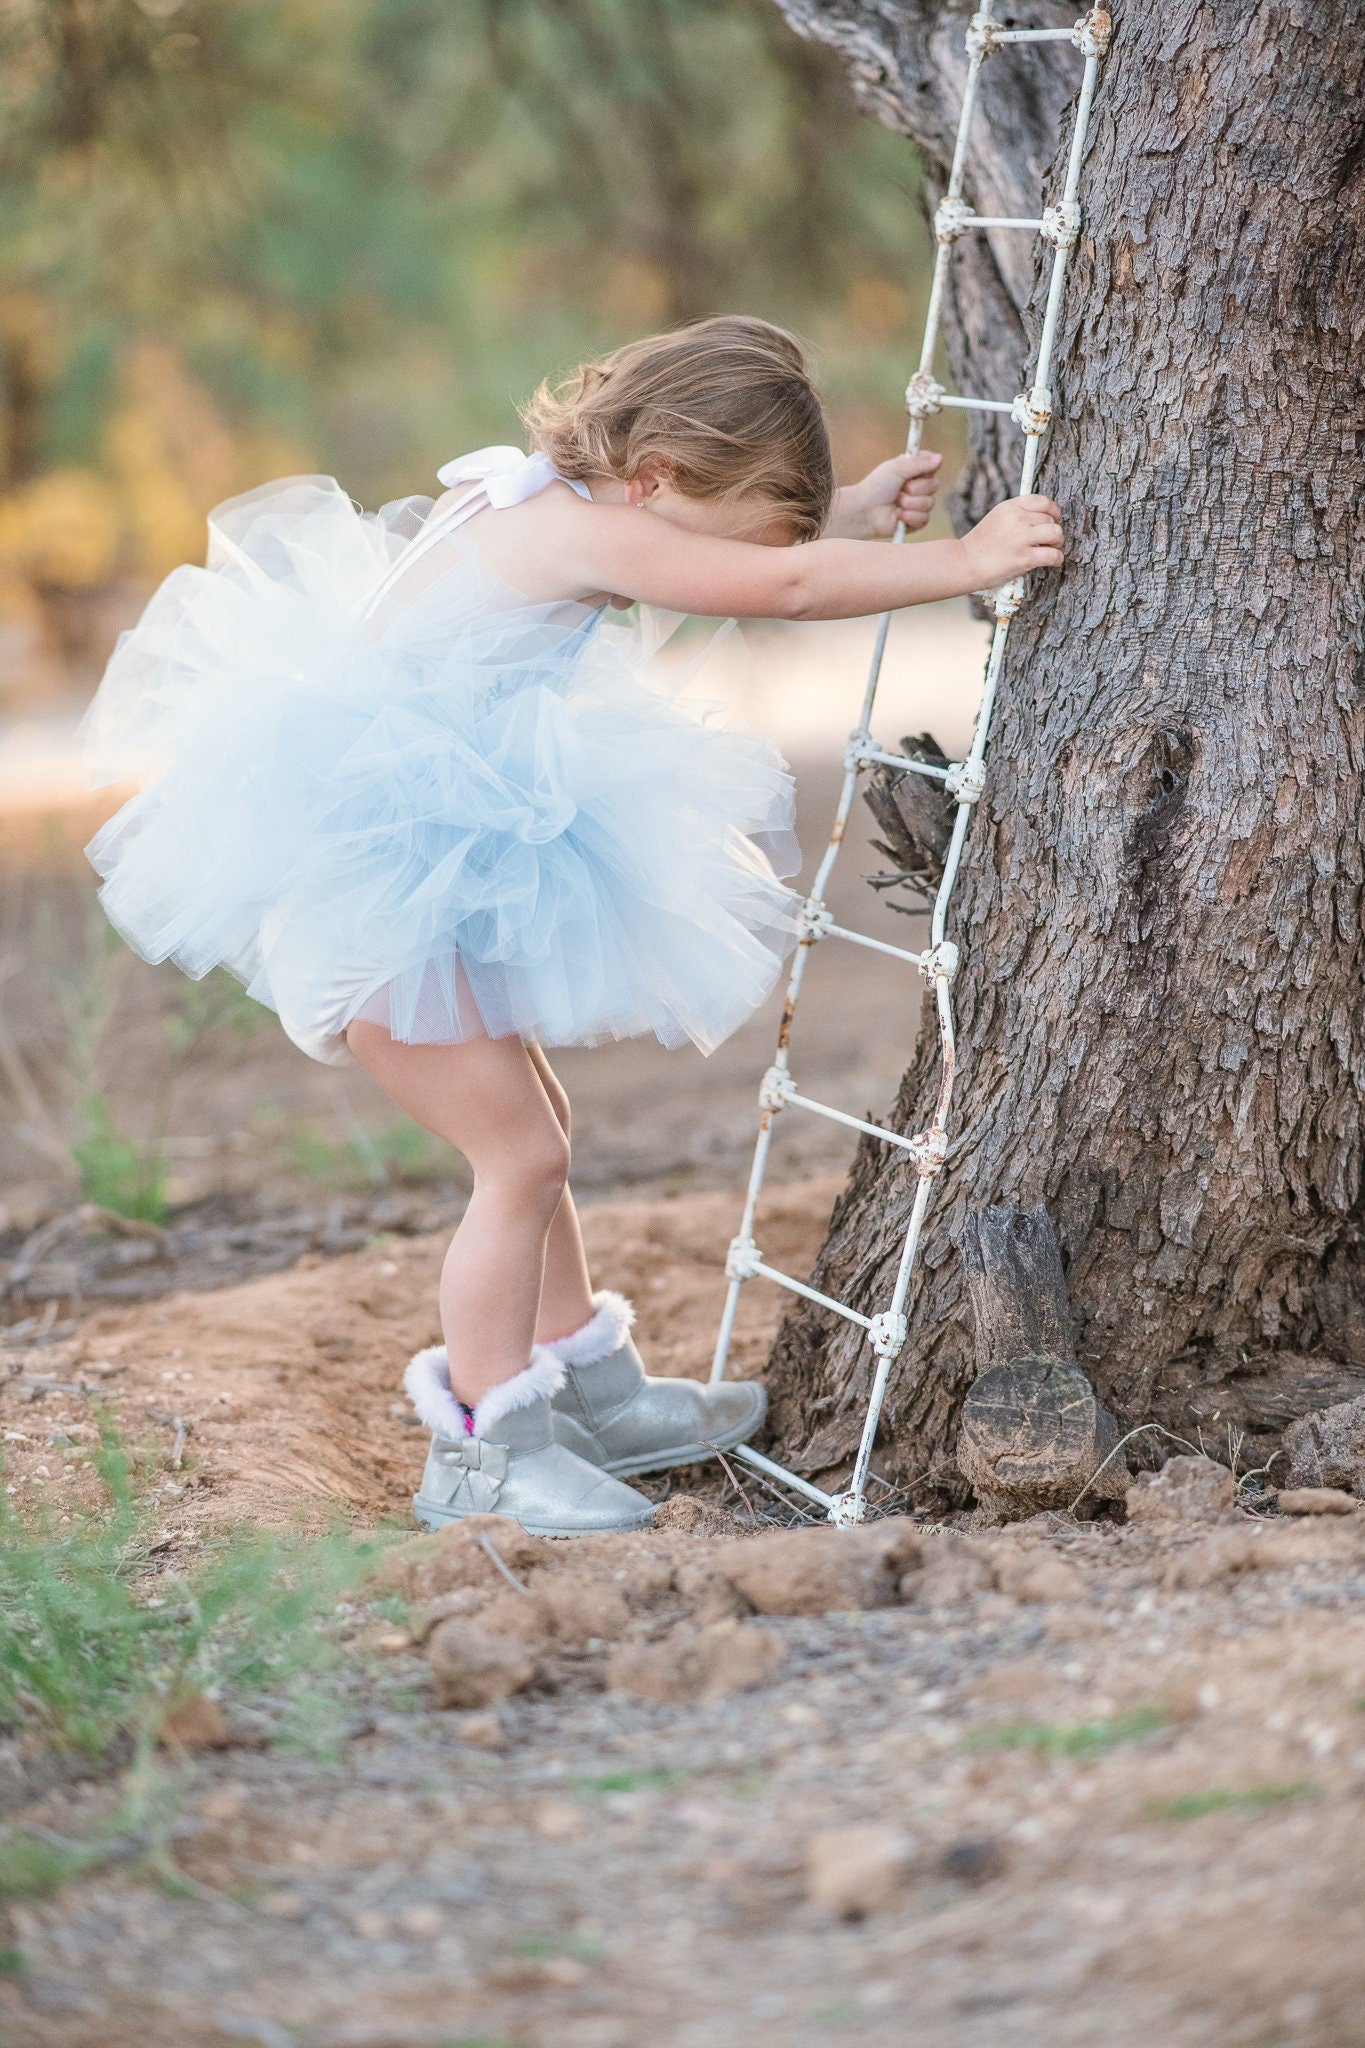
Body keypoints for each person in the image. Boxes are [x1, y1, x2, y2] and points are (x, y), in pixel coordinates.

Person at [82, 316, 1063, 1536]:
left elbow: (754, 559)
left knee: (538, 1124)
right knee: (518, 1158)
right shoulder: (581, 524)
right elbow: (781, 587)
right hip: (376, 907)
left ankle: (592, 1390)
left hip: (403, 884)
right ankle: (488, 1449)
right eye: (743, 515)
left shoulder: (555, 499)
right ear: (657, 480)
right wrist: (965, 560)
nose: (747, 548)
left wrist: (848, 512)